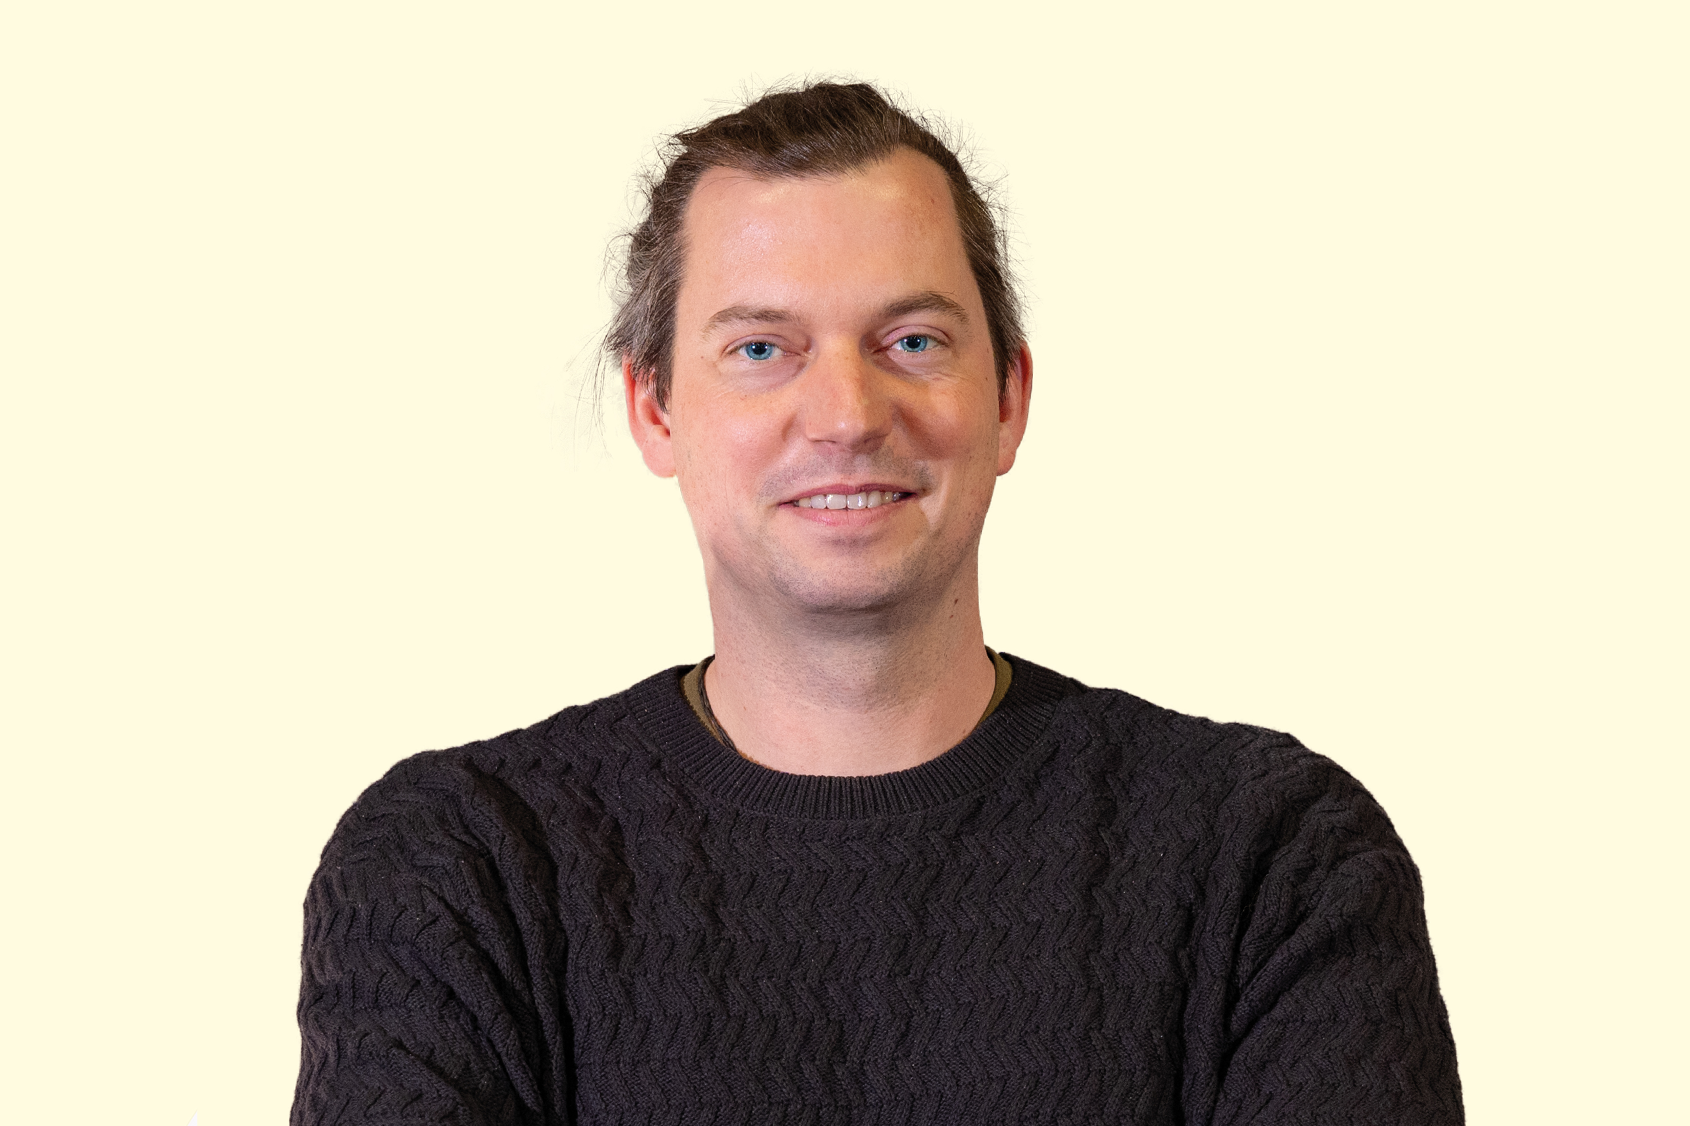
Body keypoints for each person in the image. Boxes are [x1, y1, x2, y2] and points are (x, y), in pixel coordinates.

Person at [292, 81, 1463, 1124]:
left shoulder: (1271, 861)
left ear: (1006, 398)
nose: (847, 414)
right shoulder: (463, 869)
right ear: (654, 408)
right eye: (761, 349)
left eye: (911, 340)